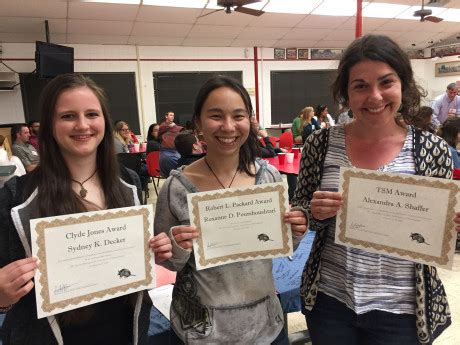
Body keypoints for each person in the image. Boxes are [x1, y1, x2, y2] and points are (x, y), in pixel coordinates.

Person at [292, 34, 460, 345]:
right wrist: (312, 212)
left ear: (403, 85)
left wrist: (452, 228)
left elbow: (441, 234)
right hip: (331, 299)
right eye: (360, 86)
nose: (375, 96)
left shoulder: (431, 149)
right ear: (345, 92)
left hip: (403, 308)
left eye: (386, 82)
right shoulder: (321, 143)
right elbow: (300, 209)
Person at [0, 73, 172, 345]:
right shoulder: (16, 196)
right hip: (49, 336)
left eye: (92, 114)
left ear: (104, 120)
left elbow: (132, 259)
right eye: (68, 116)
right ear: (49, 125)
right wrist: (1, 297)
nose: (82, 125)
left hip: (124, 332)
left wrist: (152, 251)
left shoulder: (127, 182)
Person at [154, 75, 308, 344]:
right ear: (199, 123)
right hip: (202, 331)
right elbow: (168, 261)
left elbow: (278, 245)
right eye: (216, 116)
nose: (228, 126)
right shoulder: (176, 187)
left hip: (265, 325)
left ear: (249, 120)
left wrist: (294, 230)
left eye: (238, 115)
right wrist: (177, 247)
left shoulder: (268, 178)